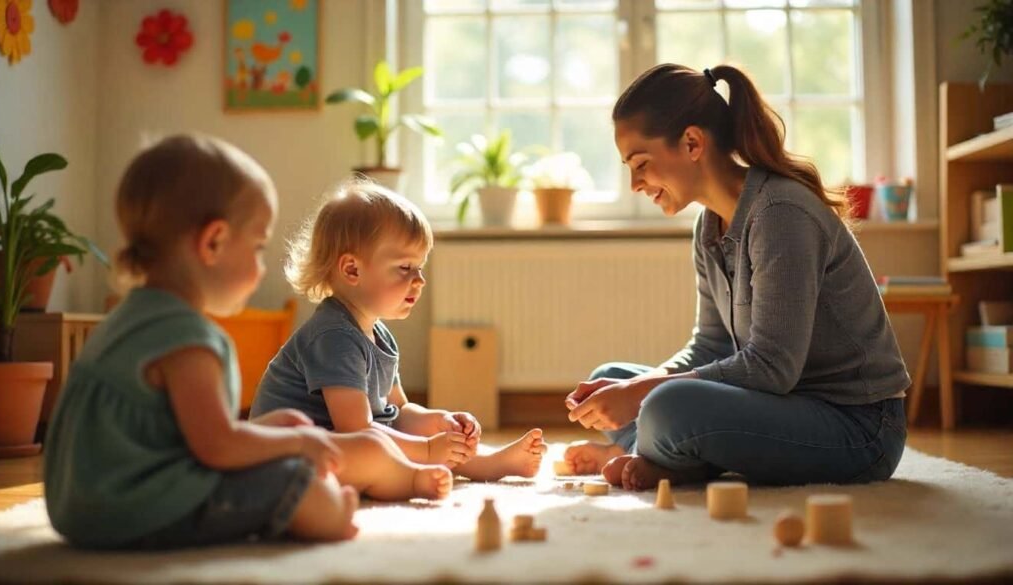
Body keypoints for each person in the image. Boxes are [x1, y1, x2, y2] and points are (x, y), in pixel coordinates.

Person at [563, 64, 910, 490]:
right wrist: (634, 385)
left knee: (666, 406)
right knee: (615, 375)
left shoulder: (781, 213)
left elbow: (772, 367)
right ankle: (659, 453)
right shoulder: (709, 226)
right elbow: (710, 345)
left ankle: (654, 452)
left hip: (858, 429)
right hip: (782, 405)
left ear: (692, 142)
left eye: (641, 164)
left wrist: (646, 393)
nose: (635, 183)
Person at [44, 134, 359, 549]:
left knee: (278, 453)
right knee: (298, 480)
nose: (262, 268)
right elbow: (217, 447)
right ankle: (331, 514)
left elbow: (182, 433)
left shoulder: (127, 319)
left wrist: (264, 430)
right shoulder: (187, 340)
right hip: (136, 510)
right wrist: (299, 441)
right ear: (213, 242)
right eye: (259, 247)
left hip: (86, 508)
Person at [250, 180, 546, 482]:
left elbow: (399, 411)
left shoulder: (379, 335)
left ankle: (487, 463)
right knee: (379, 450)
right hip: (288, 461)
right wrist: (429, 451)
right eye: (405, 268)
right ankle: (413, 479)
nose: (419, 280)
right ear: (352, 270)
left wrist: (441, 422)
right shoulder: (333, 337)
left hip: (341, 443)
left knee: (419, 437)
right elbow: (356, 430)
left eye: (420, 267)